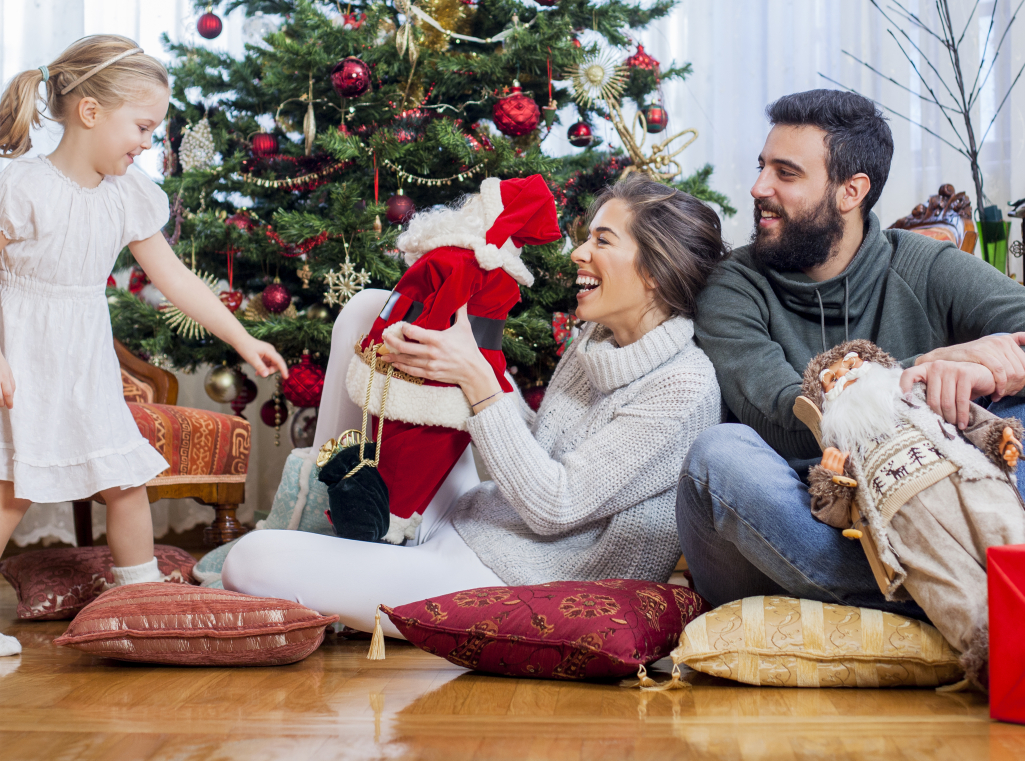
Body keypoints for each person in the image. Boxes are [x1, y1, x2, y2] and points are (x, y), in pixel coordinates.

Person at [223, 175, 728, 637]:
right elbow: (534, 446)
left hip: (522, 577)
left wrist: (477, 377)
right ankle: (327, 513)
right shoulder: (599, 337)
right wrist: (467, 361)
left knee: (249, 561)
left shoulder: (683, 386)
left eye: (602, 241)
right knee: (369, 309)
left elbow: (555, 506)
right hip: (484, 520)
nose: (578, 253)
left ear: (656, 271)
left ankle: (353, 558)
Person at [678, 89, 1025, 611]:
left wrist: (993, 372)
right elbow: (786, 416)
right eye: (762, 167)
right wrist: (930, 369)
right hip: (788, 530)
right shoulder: (734, 285)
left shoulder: (923, 266)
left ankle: (950, 593)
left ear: (851, 191)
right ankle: (966, 593)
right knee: (718, 455)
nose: (758, 187)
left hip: (918, 512)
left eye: (785, 173)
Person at [0, 35, 287, 658]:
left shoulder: (126, 193)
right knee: (13, 488)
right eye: (143, 127)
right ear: (90, 112)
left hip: (83, 359)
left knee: (123, 479)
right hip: (21, 354)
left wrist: (243, 337)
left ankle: (144, 603)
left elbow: (177, 280)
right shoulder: (20, 185)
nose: (148, 144)